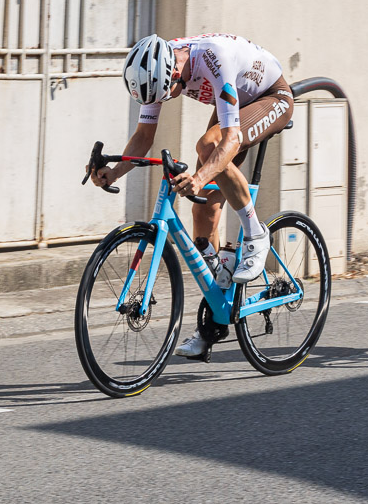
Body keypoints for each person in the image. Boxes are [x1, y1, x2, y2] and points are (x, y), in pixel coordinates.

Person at [88, 33, 294, 359]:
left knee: (208, 147)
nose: (162, 100)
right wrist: (112, 173)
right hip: (238, 104)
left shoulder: (215, 58)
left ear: (172, 74)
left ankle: (256, 233)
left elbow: (229, 140)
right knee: (204, 215)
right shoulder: (157, 70)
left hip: (271, 97)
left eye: (162, 96)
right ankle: (214, 318)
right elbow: (144, 137)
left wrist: (198, 177)